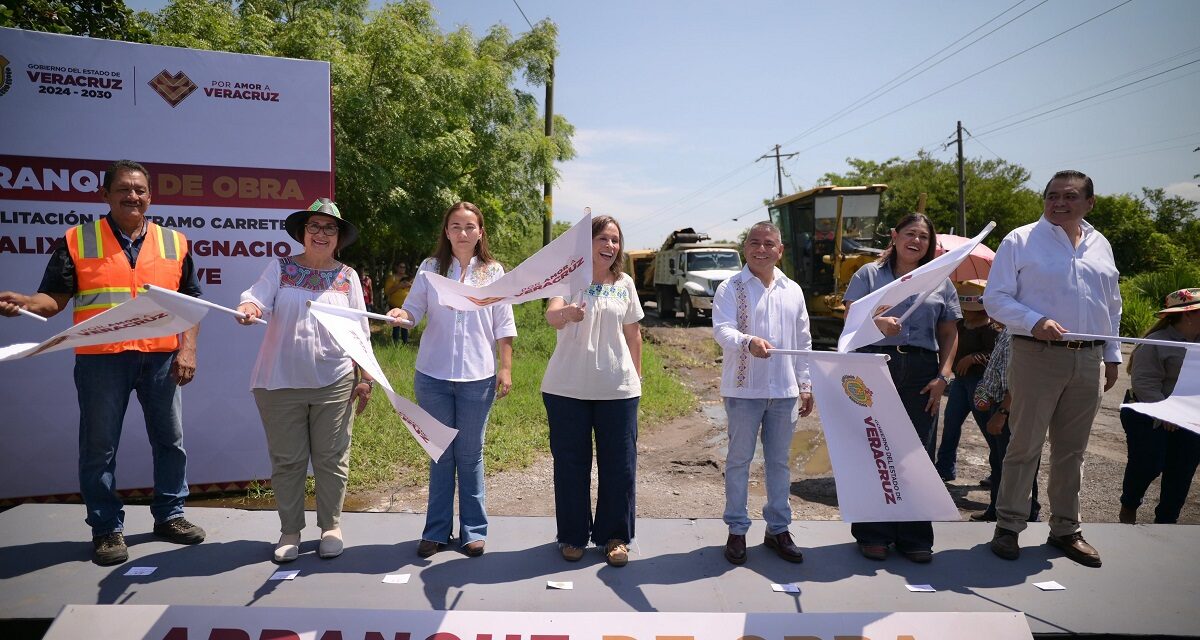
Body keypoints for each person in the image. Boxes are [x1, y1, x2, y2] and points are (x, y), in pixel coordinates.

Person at [0, 159, 206, 566]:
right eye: (124, 189)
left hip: (161, 358)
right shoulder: (77, 240)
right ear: (106, 194)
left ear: (151, 195)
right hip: (101, 361)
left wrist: (188, 349)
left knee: (170, 441)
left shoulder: (175, 242)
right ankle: (106, 528)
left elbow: (192, 304)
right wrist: (26, 303)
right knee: (99, 447)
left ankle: (171, 515)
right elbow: (52, 300)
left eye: (140, 190)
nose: (133, 196)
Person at [984, 169, 1122, 568]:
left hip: (1089, 358)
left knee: (1072, 450)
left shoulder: (1101, 245)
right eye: (1052, 195)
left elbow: (1111, 306)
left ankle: (1065, 529)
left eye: (1070, 196)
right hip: (1036, 353)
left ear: (1089, 202)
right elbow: (995, 299)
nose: (1059, 202)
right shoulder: (1020, 239)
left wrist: (1111, 355)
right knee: (1024, 443)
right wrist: (1034, 320)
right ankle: (1008, 526)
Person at [236, 198, 373, 563]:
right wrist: (249, 309)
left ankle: (331, 526)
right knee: (288, 462)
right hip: (279, 383)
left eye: (330, 228)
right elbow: (256, 299)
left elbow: (360, 330)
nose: (321, 233)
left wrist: (366, 378)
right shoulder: (280, 269)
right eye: (314, 226)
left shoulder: (348, 277)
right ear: (303, 233)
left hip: (335, 381)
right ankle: (290, 531)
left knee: (332, 459)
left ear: (339, 237)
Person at [387, 202, 515, 558]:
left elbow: (504, 324)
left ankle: (473, 531)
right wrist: (401, 314)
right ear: (446, 232)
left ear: (480, 232)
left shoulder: (493, 272)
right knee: (440, 453)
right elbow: (412, 311)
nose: (462, 233)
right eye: (455, 226)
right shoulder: (430, 269)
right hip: (433, 376)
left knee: (470, 454)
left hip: (478, 377)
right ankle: (437, 531)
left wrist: (505, 368)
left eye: (469, 227)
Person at [843, 213, 960, 563]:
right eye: (910, 233)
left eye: (924, 237)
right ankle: (873, 533)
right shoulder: (868, 275)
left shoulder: (940, 281)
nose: (916, 241)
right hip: (873, 366)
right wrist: (876, 323)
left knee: (916, 454)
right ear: (894, 236)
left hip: (923, 371)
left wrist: (943, 377)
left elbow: (950, 333)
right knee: (875, 448)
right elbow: (851, 318)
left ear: (930, 244)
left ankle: (914, 535)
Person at [542, 215, 643, 567]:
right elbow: (552, 315)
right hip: (566, 388)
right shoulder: (568, 278)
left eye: (615, 240)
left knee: (620, 466)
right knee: (571, 464)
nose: (610, 246)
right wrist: (568, 313)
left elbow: (634, 335)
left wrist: (638, 380)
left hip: (618, 390)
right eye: (602, 238)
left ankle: (615, 537)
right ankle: (572, 537)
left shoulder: (626, 283)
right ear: (587, 243)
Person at [712, 221, 814, 566]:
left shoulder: (793, 290)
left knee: (779, 463)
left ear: (779, 250)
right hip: (743, 390)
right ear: (745, 248)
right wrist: (748, 341)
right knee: (739, 460)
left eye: (769, 243)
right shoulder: (731, 287)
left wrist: (805, 384)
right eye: (754, 242)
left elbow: (803, 341)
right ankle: (737, 530)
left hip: (783, 391)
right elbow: (722, 330)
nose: (761, 249)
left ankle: (778, 529)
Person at [1118, 288, 1200, 525]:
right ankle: (1129, 505)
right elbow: (1144, 382)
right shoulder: (1156, 342)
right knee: (1149, 463)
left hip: (1188, 415)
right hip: (1148, 411)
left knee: (1182, 470)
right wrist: (1167, 412)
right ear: (1188, 315)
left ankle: (1167, 521)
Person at [970, 326, 1042, 523]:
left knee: (1016, 465)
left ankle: (1026, 514)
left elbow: (1020, 380)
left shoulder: (1021, 335)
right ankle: (996, 509)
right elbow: (996, 371)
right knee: (999, 462)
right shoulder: (1006, 331)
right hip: (998, 404)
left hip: (1011, 410)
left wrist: (1002, 412)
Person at [934, 280, 998, 481]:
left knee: (988, 428)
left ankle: (998, 470)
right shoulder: (960, 325)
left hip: (981, 383)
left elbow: (997, 356)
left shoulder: (992, 329)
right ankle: (944, 468)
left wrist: (973, 358)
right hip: (961, 382)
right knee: (951, 423)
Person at [383, 262, 412, 343]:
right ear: (396, 267)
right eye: (401, 267)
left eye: (404, 267)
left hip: (406, 306)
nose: (402, 269)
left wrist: (409, 285)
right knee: (396, 325)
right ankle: (395, 343)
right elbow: (387, 292)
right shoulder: (392, 278)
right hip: (394, 306)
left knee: (405, 325)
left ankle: (405, 343)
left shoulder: (409, 278)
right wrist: (399, 286)